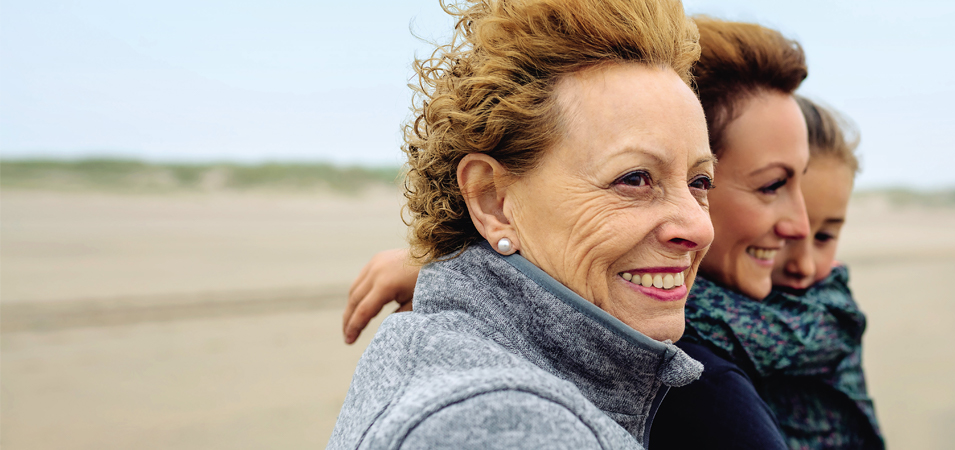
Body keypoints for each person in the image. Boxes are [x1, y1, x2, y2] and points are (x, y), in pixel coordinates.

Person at [327, 0, 716, 448]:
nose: (699, 229)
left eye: (700, 182)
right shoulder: (500, 425)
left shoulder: (453, 356)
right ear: (492, 201)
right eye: (633, 179)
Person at [652, 96, 884, 449]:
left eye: (824, 237)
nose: (803, 265)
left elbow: (720, 325)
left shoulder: (830, 312)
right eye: (785, 238)